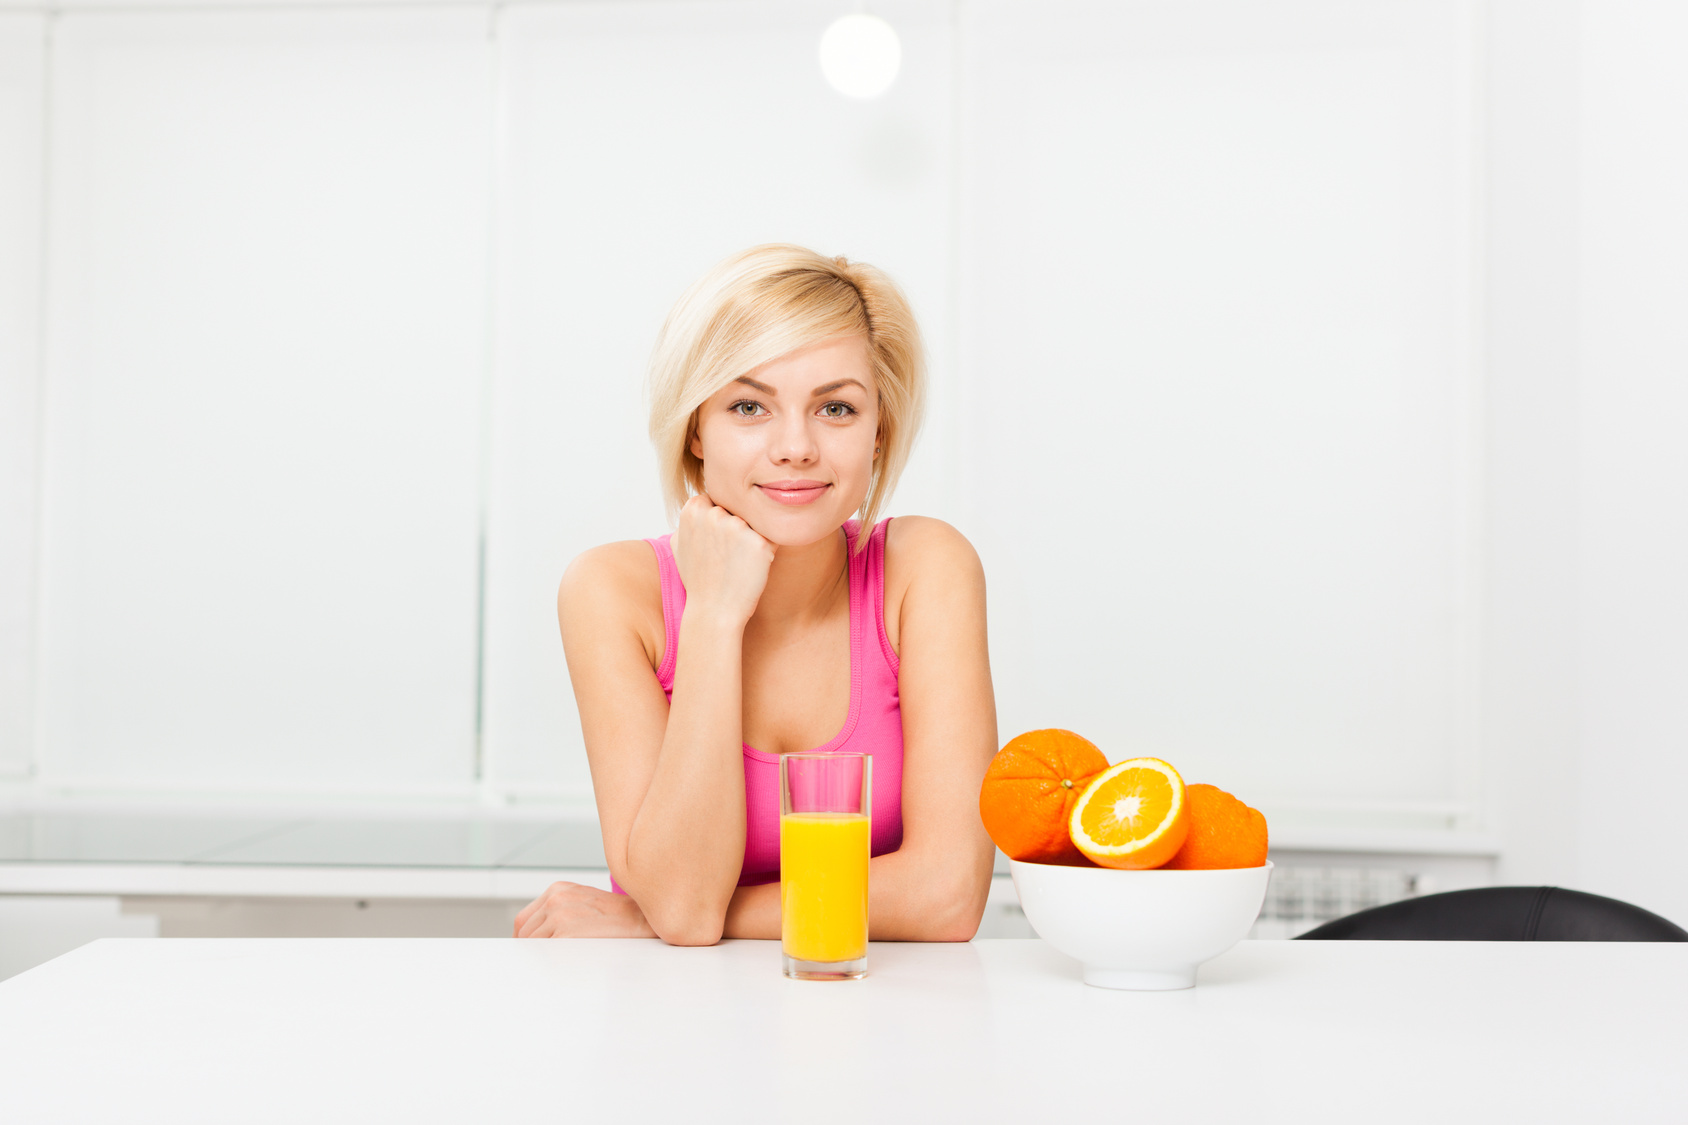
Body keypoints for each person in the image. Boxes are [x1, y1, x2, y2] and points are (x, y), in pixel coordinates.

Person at [514, 245, 997, 945]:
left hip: (891, 1020)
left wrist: (668, 916)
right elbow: (682, 906)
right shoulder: (612, 592)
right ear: (696, 433)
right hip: (681, 1028)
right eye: (749, 406)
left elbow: (947, 897)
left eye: (836, 407)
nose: (796, 446)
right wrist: (713, 612)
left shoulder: (926, 568)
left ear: (879, 432)